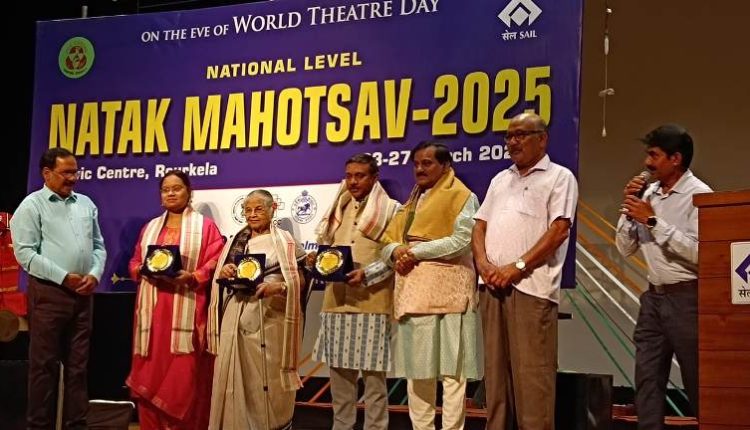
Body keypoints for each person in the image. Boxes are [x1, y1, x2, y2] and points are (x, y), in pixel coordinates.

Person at [472, 112, 578, 429]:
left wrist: (517, 267)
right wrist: (484, 265)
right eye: (509, 136)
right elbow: (479, 226)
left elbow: (559, 231)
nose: (512, 142)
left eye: (520, 135)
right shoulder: (500, 179)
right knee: (495, 379)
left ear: (542, 139)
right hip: (492, 286)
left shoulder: (559, 177)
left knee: (533, 379)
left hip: (530, 288)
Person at [616, 124, 711, 428]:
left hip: (689, 298)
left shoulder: (699, 195)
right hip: (653, 298)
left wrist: (654, 222)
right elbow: (624, 248)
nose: (647, 163)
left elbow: (703, 254)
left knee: (698, 379)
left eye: (654, 155)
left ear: (675, 159)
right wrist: (629, 209)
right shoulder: (649, 194)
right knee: (647, 380)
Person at [381, 141, 481, 430]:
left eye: (427, 163)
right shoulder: (411, 202)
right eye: (416, 164)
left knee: (453, 373)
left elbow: (462, 241)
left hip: (452, 294)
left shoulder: (463, 196)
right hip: (415, 293)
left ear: (445, 166)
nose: (420, 169)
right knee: (418, 373)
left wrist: (414, 252)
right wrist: (397, 252)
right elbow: (387, 243)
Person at [10, 147, 107, 430]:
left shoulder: (86, 204)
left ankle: (76, 425)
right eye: (66, 173)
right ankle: (38, 426)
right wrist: (64, 277)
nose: (73, 178)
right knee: (44, 367)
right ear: (47, 173)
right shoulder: (31, 206)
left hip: (83, 295)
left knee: (78, 367)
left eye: (75, 172)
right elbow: (25, 254)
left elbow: (98, 246)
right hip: (49, 294)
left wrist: (94, 274)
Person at [126, 170, 224, 429]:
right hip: (153, 317)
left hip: (187, 311)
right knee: (150, 370)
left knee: (184, 374)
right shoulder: (150, 228)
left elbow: (216, 261)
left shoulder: (205, 227)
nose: (170, 193)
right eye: (165, 189)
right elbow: (135, 261)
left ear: (189, 192)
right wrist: (141, 269)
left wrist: (193, 276)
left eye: (177, 188)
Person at [311, 153, 399, 430]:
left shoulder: (391, 210)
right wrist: (318, 262)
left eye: (360, 176)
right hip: (336, 304)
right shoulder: (338, 207)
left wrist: (367, 274)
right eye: (349, 176)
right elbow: (327, 249)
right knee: (340, 381)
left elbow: (395, 256)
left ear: (374, 178)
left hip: (372, 305)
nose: (353, 182)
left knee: (374, 383)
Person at [207, 189, 306, 430]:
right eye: (248, 210)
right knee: (233, 378)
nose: (252, 214)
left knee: (266, 381)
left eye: (258, 209)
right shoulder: (235, 242)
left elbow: (300, 279)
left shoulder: (286, 242)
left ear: (273, 209)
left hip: (269, 320)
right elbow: (223, 277)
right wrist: (225, 272)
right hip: (235, 318)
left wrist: (279, 287)